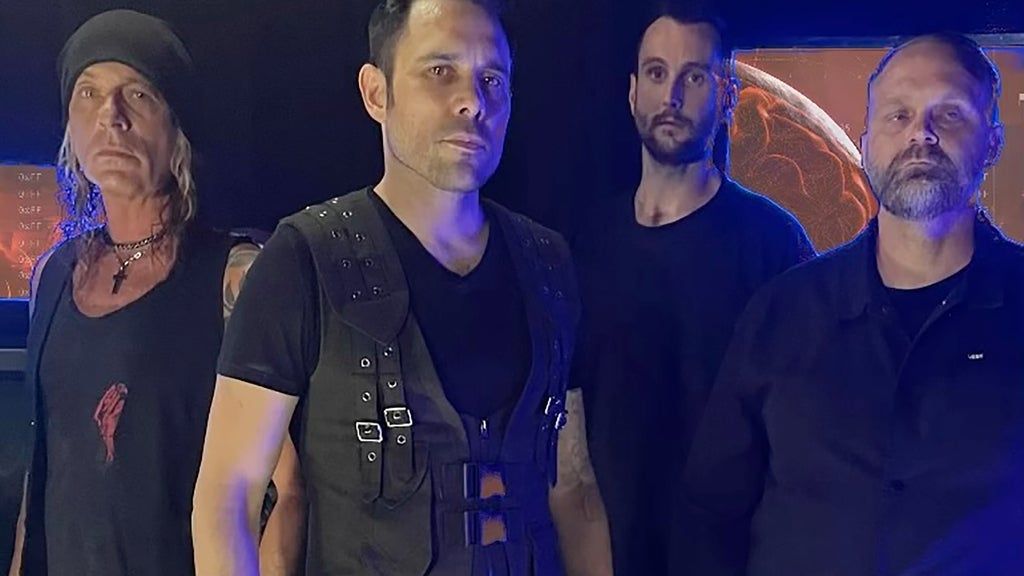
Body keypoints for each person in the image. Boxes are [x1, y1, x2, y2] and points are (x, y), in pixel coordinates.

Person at [192, 0, 612, 575]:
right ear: (376, 92)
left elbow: (574, 488)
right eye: (440, 70)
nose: (472, 101)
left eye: (492, 80)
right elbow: (227, 496)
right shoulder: (302, 261)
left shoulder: (548, 267)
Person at [682, 33, 1019, 576]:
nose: (921, 134)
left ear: (993, 142)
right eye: (898, 115)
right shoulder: (782, 315)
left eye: (950, 113)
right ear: (865, 144)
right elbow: (711, 515)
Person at [8, 10, 303, 576]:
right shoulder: (52, 275)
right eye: (89, 93)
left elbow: (288, 489)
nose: (110, 116)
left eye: (138, 94)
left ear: (177, 129)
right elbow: (42, 476)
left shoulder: (234, 278)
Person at [570, 4, 813, 575]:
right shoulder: (585, 244)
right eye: (656, 73)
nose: (672, 95)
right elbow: (569, 434)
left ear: (728, 97)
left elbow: (807, 437)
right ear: (633, 92)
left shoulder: (774, 245)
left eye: (695, 77)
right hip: (609, 555)